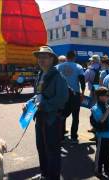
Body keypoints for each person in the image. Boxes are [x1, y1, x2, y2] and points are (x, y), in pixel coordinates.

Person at [29, 46, 69, 180]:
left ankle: (53, 177)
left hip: (51, 118)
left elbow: (62, 98)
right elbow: (38, 95)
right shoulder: (40, 74)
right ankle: (44, 174)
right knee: (41, 147)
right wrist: (29, 103)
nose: (41, 60)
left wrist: (44, 105)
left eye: (45, 57)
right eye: (39, 57)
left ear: (52, 59)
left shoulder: (58, 76)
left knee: (52, 150)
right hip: (40, 117)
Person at [56, 50, 85, 143]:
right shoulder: (78, 67)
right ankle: (73, 137)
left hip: (62, 95)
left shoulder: (58, 67)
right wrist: (83, 93)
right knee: (75, 117)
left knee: (62, 115)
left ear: (66, 57)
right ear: (74, 57)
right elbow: (82, 81)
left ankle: (60, 137)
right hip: (75, 94)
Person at [91, 87, 109, 177]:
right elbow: (101, 121)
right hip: (102, 135)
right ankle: (98, 170)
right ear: (100, 97)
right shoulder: (96, 108)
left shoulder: (104, 105)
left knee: (107, 153)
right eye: (106, 95)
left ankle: (107, 169)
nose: (108, 97)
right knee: (100, 154)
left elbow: (107, 117)